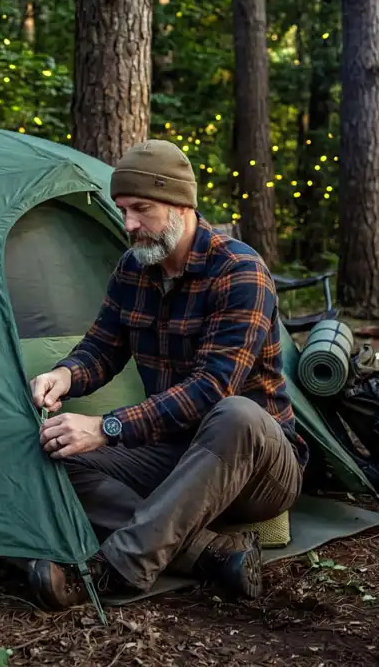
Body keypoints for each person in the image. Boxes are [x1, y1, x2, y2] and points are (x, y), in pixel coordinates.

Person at [25, 139, 309, 609]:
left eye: (142, 209)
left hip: (255, 466)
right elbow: (103, 347)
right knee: (54, 454)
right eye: (122, 209)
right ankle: (211, 554)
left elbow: (210, 389)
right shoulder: (134, 267)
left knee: (234, 413)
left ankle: (113, 570)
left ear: (182, 205)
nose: (129, 224)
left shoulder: (240, 271)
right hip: (172, 452)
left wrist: (107, 427)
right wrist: (67, 375)